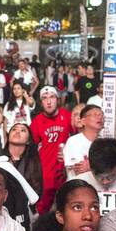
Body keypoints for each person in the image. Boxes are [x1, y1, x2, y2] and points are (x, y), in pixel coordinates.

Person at [30, 86, 73, 214]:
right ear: (41, 102)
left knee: (66, 207)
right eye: (44, 98)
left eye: (52, 97)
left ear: (58, 100)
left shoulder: (67, 116)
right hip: (46, 173)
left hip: (65, 171)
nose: (48, 101)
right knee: (43, 210)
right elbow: (30, 148)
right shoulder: (37, 121)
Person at [63, 105, 104, 180]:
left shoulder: (105, 143)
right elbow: (80, 170)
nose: (99, 117)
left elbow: (115, 168)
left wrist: (91, 166)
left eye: (101, 114)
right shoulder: (73, 141)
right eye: (95, 114)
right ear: (83, 121)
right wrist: (102, 166)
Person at [4, 123, 43, 201]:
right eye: (14, 129)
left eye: (22, 130)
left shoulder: (32, 162)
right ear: (8, 137)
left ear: (28, 141)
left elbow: (37, 190)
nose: (17, 132)